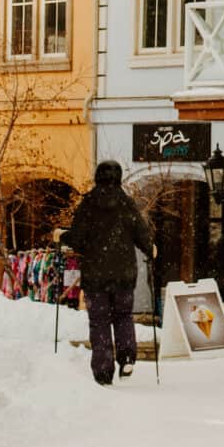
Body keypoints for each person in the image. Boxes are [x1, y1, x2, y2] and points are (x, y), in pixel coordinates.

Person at [61, 160, 154, 385]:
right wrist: (150, 249)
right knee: (123, 315)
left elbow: (77, 239)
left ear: (97, 177)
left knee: (99, 321)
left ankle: (103, 371)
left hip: (95, 275)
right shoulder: (127, 204)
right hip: (124, 274)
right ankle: (127, 357)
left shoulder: (88, 205)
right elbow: (143, 235)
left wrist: (64, 238)